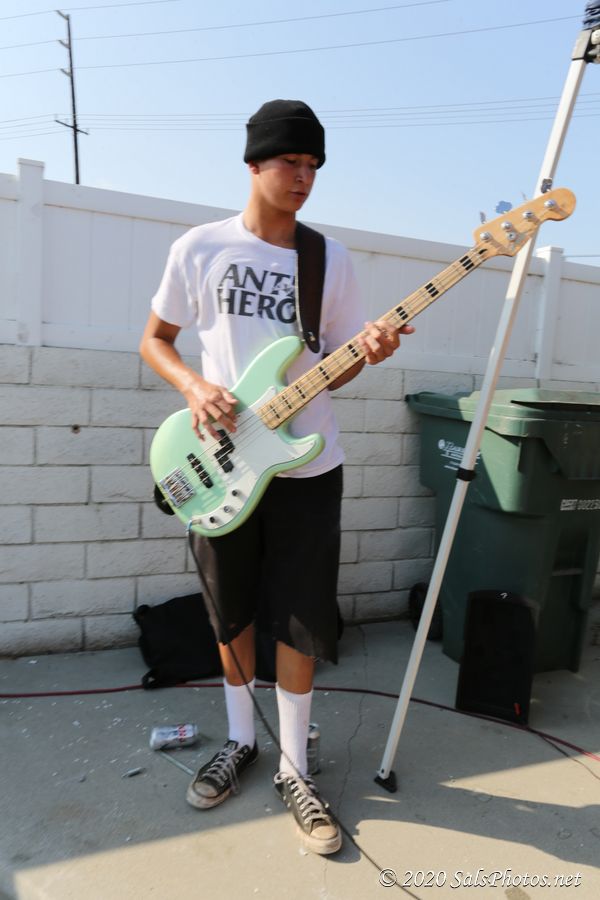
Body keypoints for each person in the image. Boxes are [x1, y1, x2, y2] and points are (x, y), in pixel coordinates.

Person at [140, 99, 414, 856]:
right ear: (255, 162)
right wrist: (195, 387)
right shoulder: (201, 248)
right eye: (291, 162)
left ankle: (295, 765)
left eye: (313, 166)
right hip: (224, 461)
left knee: (301, 617)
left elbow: (337, 366)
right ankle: (240, 742)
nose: (303, 177)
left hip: (306, 464)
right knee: (229, 610)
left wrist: (369, 353)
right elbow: (156, 339)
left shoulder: (330, 261)